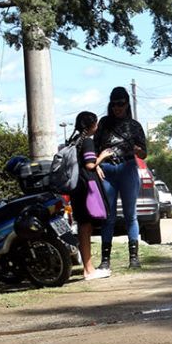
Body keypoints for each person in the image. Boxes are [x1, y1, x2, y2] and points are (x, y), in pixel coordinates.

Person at [95, 86, 147, 271]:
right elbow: (94, 148)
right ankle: (105, 260)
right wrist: (97, 165)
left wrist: (137, 150)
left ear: (127, 104)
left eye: (121, 104)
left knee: (130, 215)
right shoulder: (104, 123)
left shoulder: (134, 126)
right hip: (108, 169)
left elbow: (144, 154)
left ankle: (134, 257)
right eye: (114, 104)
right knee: (108, 217)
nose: (118, 107)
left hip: (127, 168)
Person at [69, 112, 111, 280]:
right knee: (86, 227)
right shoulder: (87, 141)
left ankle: (88, 267)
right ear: (92, 125)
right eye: (96, 123)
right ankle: (89, 269)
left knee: (83, 227)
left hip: (77, 188)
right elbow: (89, 164)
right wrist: (102, 157)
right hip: (86, 188)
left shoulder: (74, 140)